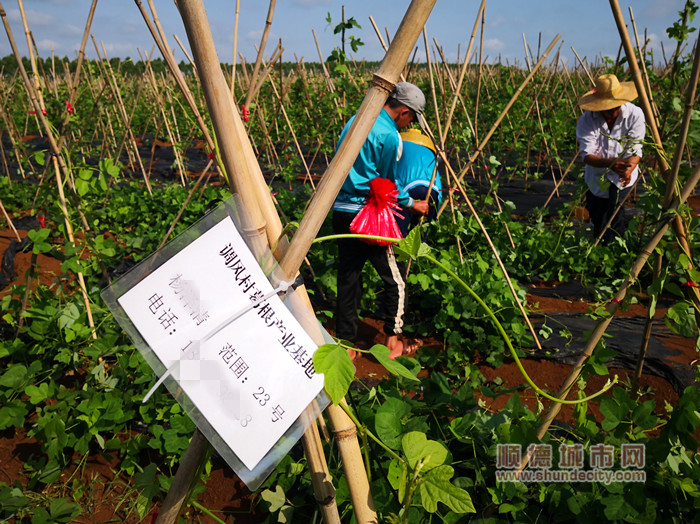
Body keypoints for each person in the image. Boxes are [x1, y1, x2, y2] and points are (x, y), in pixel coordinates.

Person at [332, 82, 429, 360]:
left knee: (349, 277)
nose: (409, 124)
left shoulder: (355, 120)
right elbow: (388, 185)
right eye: (411, 118)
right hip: (369, 217)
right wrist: (413, 205)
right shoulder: (390, 136)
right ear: (404, 112)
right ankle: (392, 342)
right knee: (394, 279)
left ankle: (347, 344)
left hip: (342, 210)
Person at [576, 73, 645, 244]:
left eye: (615, 108)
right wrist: (610, 164)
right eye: (606, 109)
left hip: (624, 174)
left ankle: (615, 250)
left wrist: (628, 169)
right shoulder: (587, 120)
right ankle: (600, 248)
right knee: (597, 213)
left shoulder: (635, 114)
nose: (611, 113)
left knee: (614, 214)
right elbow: (587, 155)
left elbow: (636, 148)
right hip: (597, 175)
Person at [394, 128, 443, 238]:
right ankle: (417, 252)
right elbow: (438, 184)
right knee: (419, 236)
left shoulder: (400, 145)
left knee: (398, 233)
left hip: (410, 188)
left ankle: (396, 251)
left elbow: (394, 176)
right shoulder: (430, 153)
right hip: (432, 190)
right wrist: (435, 213)